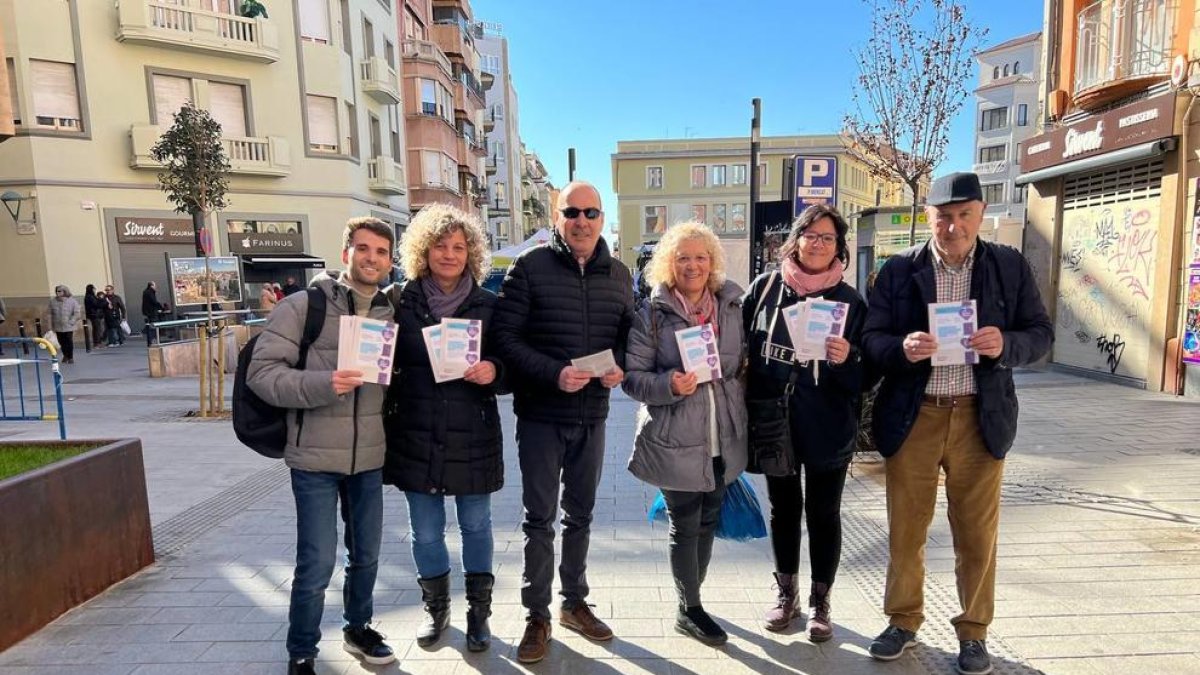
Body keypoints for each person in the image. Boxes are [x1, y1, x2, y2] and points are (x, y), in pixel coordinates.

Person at [862, 173, 1052, 675]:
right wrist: (900, 349)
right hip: (915, 414)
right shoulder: (900, 270)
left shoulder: (1007, 267)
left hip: (978, 415)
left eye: (964, 215)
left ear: (981, 214)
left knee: (976, 532)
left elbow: (1040, 334)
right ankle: (903, 620)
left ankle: (973, 632)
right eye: (944, 216)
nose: (953, 226)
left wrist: (1005, 345)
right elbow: (872, 339)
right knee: (906, 530)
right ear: (929, 217)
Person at [247, 217, 399, 675]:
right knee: (316, 561)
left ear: (391, 262)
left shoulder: (392, 312)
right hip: (313, 457)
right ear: (346, 253)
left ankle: (359, 628)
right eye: (363, 249)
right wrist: (323, 383)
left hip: (369, 457)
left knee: (367, 554)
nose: (372, 258)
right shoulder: (302, 307)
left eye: (381, 252)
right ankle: (303, 650)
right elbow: (262, 375)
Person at [492, 180, 635, 664]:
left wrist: (620, 367)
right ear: (557, 217)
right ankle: (537, 615)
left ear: (602, 218)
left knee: (581, 516)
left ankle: (574, 603)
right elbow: (505, 340)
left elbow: (629, 338)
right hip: (540, 416)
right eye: (571, 212)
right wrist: (554, 373)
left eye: (591, 213)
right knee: (539, 520)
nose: (581, 221)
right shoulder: (528, 268)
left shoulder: (618, 274)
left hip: (592, 417)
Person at [742, 204, 869, 642]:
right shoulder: (764, 290)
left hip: (829, 421)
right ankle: (786, 595)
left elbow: (866, 376)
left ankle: (821, 602)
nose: (818, 243)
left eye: (828, 238)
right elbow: (739, 349)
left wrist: (846, 358)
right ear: (795, 239)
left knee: (824, 513)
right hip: (775, 419)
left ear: (839, 247)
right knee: (783, 510)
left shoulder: (851, 302)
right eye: (810, 235)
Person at [382, 204, 506, 652]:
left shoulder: (490, 305)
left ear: (471, 253)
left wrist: (494, 369)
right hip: (415, 433)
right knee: (427, 532)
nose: (449, 254)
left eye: (458, 246)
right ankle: (437, 611)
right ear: (423, 250)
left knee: (476, 526)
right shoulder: (400, 301)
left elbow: (510, 364)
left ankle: (478, 615)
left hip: (472, 433)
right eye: (440, 245)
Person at [622, 221, 747, 646]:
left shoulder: (732, 306)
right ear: (668, 264)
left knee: (709, 520)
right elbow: (633, 379)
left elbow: (743, 364)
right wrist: (669, 385)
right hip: (674, 434)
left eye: (700, 257)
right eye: (682, 257)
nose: (692, 266)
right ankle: (690, 608)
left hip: (723, 433)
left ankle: (691, 599)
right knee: (685, 523)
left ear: (712, 262)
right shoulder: (651, 316)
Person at [48, 285, 81, 364]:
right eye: (56, 291)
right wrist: (49, 325)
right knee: (61, 341)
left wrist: (71, 321)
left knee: (68, 341)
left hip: (69, 325)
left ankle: (70, 357)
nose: (57, 293)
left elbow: (77, 313)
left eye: (59, 291)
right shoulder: (53, 301)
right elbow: (49, 314)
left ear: (64, 291)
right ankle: (65, 355)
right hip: (58, 325)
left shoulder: (72, 301)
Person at [141, 281, 168, 346]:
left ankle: (150, 338)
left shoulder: (146, 292)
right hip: (151, 311)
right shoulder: (150, 292)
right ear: (151, 286)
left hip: (148, 311)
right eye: (154, 285)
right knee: (154, 324)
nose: (155, 287)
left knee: (150, 324)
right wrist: (161, 308)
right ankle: (152, 339)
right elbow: (154, 301)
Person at [84, 284, 106, 349]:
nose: (95, 290)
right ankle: (97, 343)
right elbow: (96, 304)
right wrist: (102, 300)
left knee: (97, 329)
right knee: (97, 329)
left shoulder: (90, 296)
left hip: (93, 314)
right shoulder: (90, 297)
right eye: (94, 289)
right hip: (94, 315)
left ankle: (97, 342)